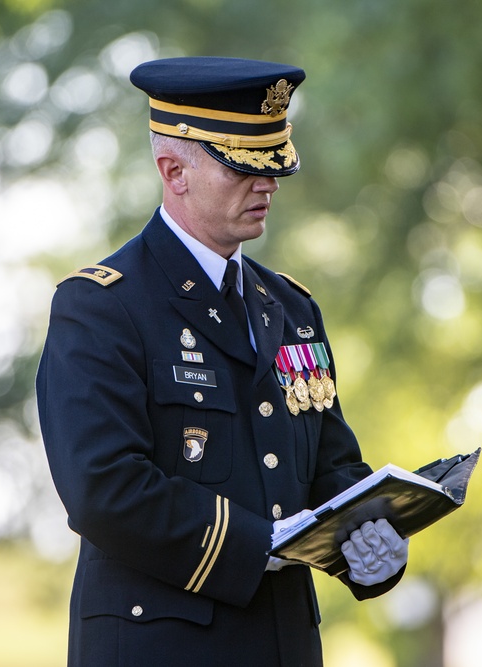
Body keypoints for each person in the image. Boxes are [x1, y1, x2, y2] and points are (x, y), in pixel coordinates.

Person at [36, 56, 408, 666]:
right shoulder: (102, 307)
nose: (267, 185)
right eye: (243, 167)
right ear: (173, 169)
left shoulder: (291, 307)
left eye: (274, 167)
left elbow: (329, 468)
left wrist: (375, 537)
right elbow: (104, 488)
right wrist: (254, 543)